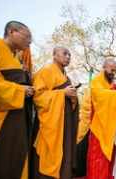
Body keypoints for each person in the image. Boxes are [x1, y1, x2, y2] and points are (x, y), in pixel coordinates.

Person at [0, 21, 34, 179]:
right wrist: (19, 90)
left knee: (17, 158)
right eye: (27, 36)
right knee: (0, 160)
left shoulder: (18, 59)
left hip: (18, 117)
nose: (30, 41)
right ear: (12, 31)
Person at [31, 47, 79, 179]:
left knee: (64, 154)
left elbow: (70, 101)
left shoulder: (66, 77)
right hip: (51, 123)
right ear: (54, 55)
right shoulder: (46, 71)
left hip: (65, 123)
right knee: (48, 156)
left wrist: (74, 98)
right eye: (65, 54)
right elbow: (38, 96)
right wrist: (62, 93)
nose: (68, 56)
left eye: (69, 54)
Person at [78, 58, 116, 179]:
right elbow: (99, 97)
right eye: (111, 69)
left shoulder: (114, 86)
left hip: (111, 130)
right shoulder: (96, 82)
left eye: (115, 71)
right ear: (104, 67)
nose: (113, 73)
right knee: (97, 161)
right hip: (98, 130)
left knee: (110, 163)